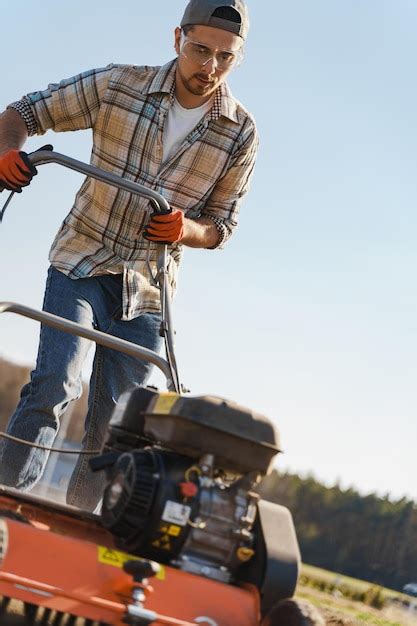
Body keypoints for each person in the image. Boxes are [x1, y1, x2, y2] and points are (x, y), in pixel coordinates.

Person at [0, 0, 258, 511]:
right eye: (200, 50)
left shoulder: (240, 131)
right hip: (82, 258)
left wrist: (187, 229)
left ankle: (79, 524)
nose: (209, 66)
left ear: (239, 57)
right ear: (177, 39)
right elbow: (22, 114)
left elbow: (222, 226)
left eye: (224, 57)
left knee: (119, 421)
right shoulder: (119, 85)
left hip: (148, 288)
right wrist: (8, 151)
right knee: (56, 381)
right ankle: (7, 502)